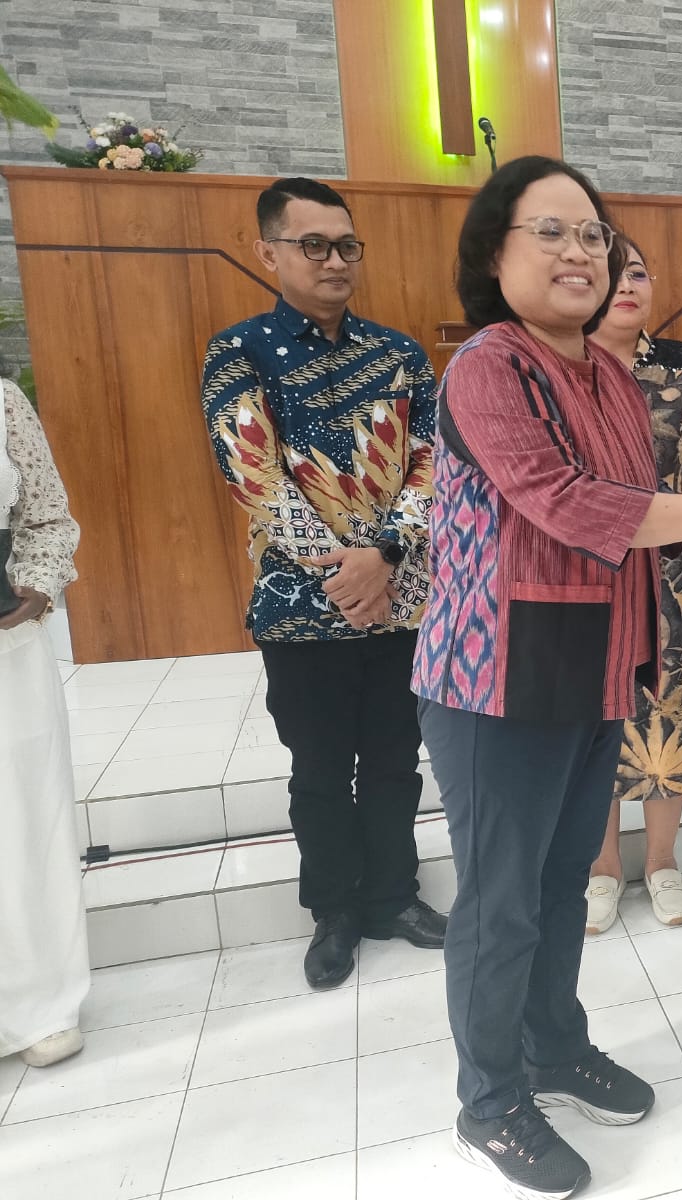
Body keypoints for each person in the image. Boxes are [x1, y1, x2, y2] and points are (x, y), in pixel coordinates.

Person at [412, 155, 682, 1200]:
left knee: (563, 885)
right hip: (496, 677)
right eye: (549, 231)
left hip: (595, 665)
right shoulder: (487, 367)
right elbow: (565, 501)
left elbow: (645, 515)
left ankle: (554, 1048)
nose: (579, 252)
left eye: (592, 234)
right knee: (501, 903)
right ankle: (487, 1102)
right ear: (494, 253)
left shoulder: (608, 374)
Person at [201, 177, 447, 989]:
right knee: (319, 768)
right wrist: (349, 574)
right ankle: (334, 911)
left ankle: (394, 896)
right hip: (301, 610)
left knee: (395, 761)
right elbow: (256, 479)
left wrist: (386, 554)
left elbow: (431, 464)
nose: (334, 260)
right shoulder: (239, 353)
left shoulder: (401, 356)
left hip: (400, 600)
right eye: (313, 245)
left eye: (346, 245)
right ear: (268, 252)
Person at [585, 234, 682, 933]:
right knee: (593, 721)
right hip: (587, 580)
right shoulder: (559, 365)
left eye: (640, 273)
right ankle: (601, 866)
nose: (628, 285)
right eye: (614, 273)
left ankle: (662, 861)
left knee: (667, 714)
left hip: (675, 583)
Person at [0, 377, 88, 1069]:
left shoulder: (4, 401)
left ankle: (36, 1002)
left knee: (25, 821)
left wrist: (34, 588)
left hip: (7, 649)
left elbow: (48, 517)